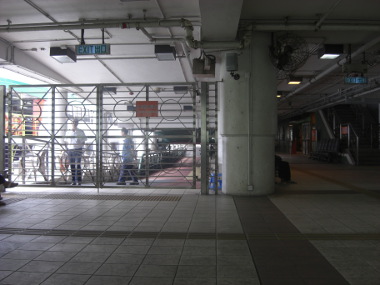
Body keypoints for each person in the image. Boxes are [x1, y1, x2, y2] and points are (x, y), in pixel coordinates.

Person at [64, 119, 87, 186]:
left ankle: (78, 180)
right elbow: (65, 141)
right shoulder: (68, 132)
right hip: (70, 150)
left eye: (75, 123)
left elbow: (84, 141)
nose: (73, 124)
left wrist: (79, 145)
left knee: (77, 165)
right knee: (72, 166)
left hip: (78, 150)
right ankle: (73, 180)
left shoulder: (80, 131)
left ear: (77, 123)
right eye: (72, 123)